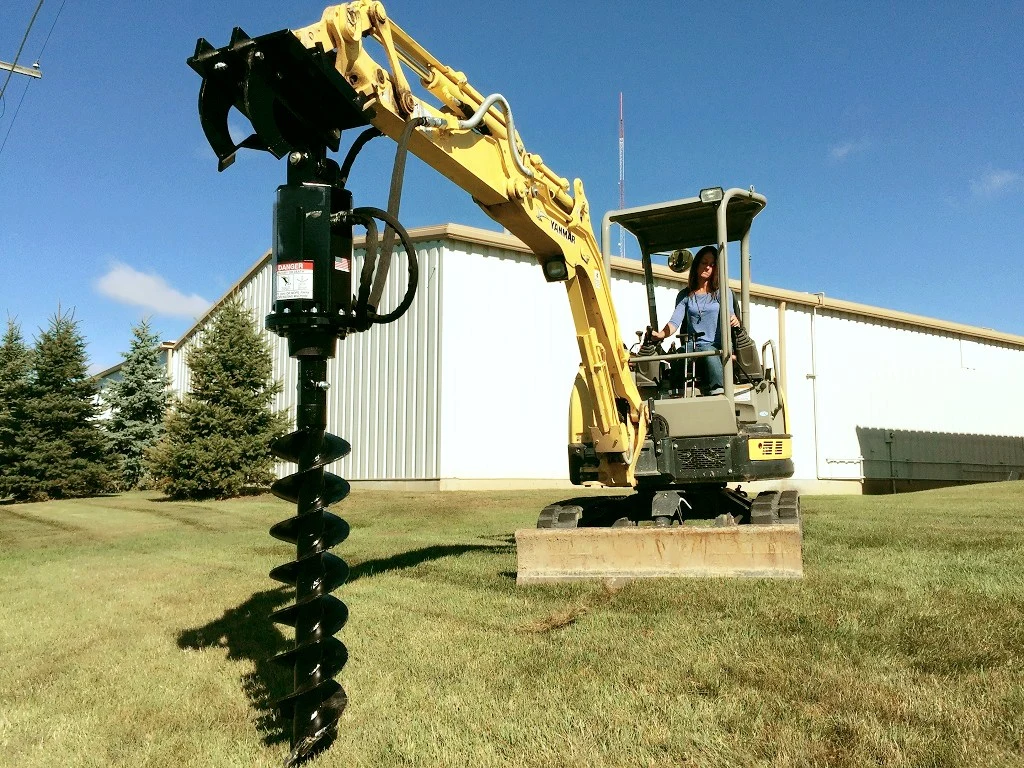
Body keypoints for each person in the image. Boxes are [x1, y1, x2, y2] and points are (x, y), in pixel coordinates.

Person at [650, 245, 739, 395]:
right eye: (704, 263)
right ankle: (675, 391)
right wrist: (661, 334)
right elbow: (674, 322)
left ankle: (718, 390)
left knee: (708, 353)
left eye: (712, 265)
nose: (708, 268)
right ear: (696, 264)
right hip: (692, 346)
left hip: (715, 346)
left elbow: (729, 314)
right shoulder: (685, 295)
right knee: (679, 356)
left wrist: (734, 319)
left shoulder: (722, 292)